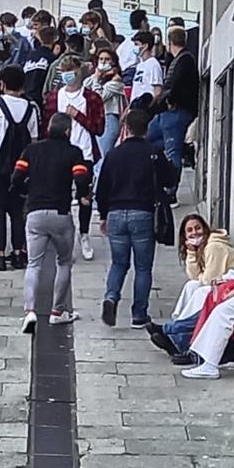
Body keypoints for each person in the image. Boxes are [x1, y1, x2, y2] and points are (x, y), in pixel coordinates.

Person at [95, 109, 179, 328]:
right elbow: (170, 178)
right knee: (143, 267)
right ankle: (139, 315)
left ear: (126, 127)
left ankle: (111, 296)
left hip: (115, 213)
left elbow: (102, 187)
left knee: (118, 263)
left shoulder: (114, 154)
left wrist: (103, 215)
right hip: (143, 213)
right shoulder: (153, 152)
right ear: (147, 127)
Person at [12, 112, 93, 334]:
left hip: (35, 213)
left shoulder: (32, 150)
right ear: (68, 131)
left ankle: (30, 310)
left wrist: (24, 193)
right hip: (60, 213)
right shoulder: (73, 152)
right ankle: (58, 312)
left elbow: (17, 176)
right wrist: (83, 195)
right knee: (64, 262)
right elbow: (81, 177)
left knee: (34, 264)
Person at [178, 195, 234, 379]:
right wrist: (226, 278)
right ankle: (187, 335)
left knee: (222, 311)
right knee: (209, 298)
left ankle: (210, 363)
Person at [0, 66, 38, 272]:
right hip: (21, 167)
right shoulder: (31, 108)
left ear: (2, 84)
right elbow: (34, 139)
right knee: (18, 211)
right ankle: (19, 253)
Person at [46, 55, 105, 260]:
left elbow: (99, 128)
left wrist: (78, 115)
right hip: (59, 153)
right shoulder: (55, 97)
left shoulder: (92, 98)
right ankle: (62, 237)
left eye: (71, 70)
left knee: (85, 196)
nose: (68, 75)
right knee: (59, 195)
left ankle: (85, 234)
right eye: (64, 71)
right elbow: (48, 125)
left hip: (85, 153)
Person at [149, 26, 200, 175]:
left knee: (173, 152)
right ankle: (184, 150)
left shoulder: (185, 60)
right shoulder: (179, 59)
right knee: (151, 141)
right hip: (166, 113)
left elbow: (177, 84)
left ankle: (170, 188)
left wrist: (171, 100)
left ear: (170, 41)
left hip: (176, 112)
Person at [85, 47, 128, 180]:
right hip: (97, 119)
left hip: (109, 119)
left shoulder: (116, 81)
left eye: (107, 59)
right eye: (101, 59)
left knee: (103, 156)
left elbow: (99, 96)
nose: (103, 62)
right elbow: (85, 87)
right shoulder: (96, 78)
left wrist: (97, 80)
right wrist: (96, 76)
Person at [23, 26, 58, 116]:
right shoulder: (52, 58)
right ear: (55, 39)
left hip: (25, 95)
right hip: (40, 98)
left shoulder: (31, 55)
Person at [129, 30, 162, 107]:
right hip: (134, 106)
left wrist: (148, 107)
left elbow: (157, 91)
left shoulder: (153, 64)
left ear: (145, 46)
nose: (135, 47)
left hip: (144, 107)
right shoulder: (139, 65)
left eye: (137, 44)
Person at [116, 9, 150, 79]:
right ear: (143, 22)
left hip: (122, 72)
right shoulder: (139, 41)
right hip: (135, 73)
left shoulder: (124, 43)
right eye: (147, 22)